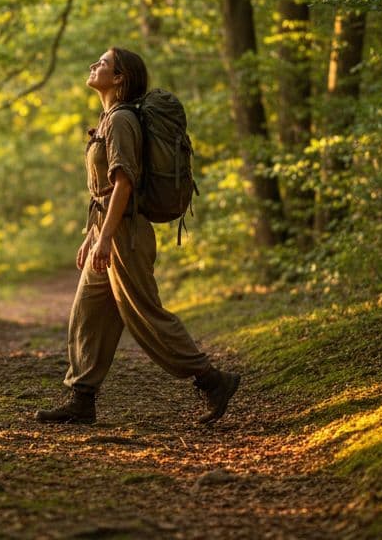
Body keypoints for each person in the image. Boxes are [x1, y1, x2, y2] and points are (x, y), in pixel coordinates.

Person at [36, 47, 240, 426]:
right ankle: (82, 398)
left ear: (119, 78)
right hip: (109, 227)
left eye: (103, 63)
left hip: (126, 233)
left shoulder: (122, 122)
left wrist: (107, 237)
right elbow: (101, 191)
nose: (93, 65)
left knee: (145, 315)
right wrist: (91, 234)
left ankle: (213, 380)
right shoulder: (107, 118)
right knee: (88, 313)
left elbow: (123, 183)